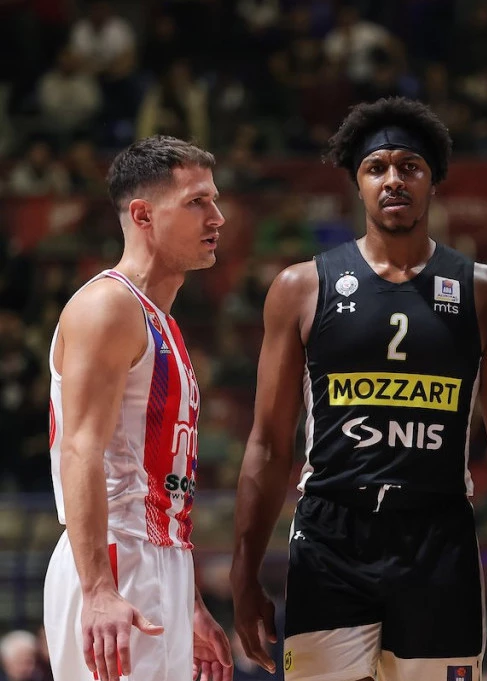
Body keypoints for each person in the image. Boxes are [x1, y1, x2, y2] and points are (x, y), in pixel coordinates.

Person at [229, 96, 487, 681]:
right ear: (357, 182)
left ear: (433, 181)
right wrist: (244, 573)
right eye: (377, 168)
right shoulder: (300, 287)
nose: (393, 179)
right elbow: (268, 444)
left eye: (410, 167)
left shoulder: (485, 291)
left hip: (437, 535)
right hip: (330, 534)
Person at [42, 135, 233, 681]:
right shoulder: (108, 306)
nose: (216, 217)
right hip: (114, 557)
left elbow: (160, 480)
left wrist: (188, 599)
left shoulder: (160, 320)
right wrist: (98, 589)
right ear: (143, 215)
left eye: (214, 200)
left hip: (158, 557)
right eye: (196, 202)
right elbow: (81, 450)